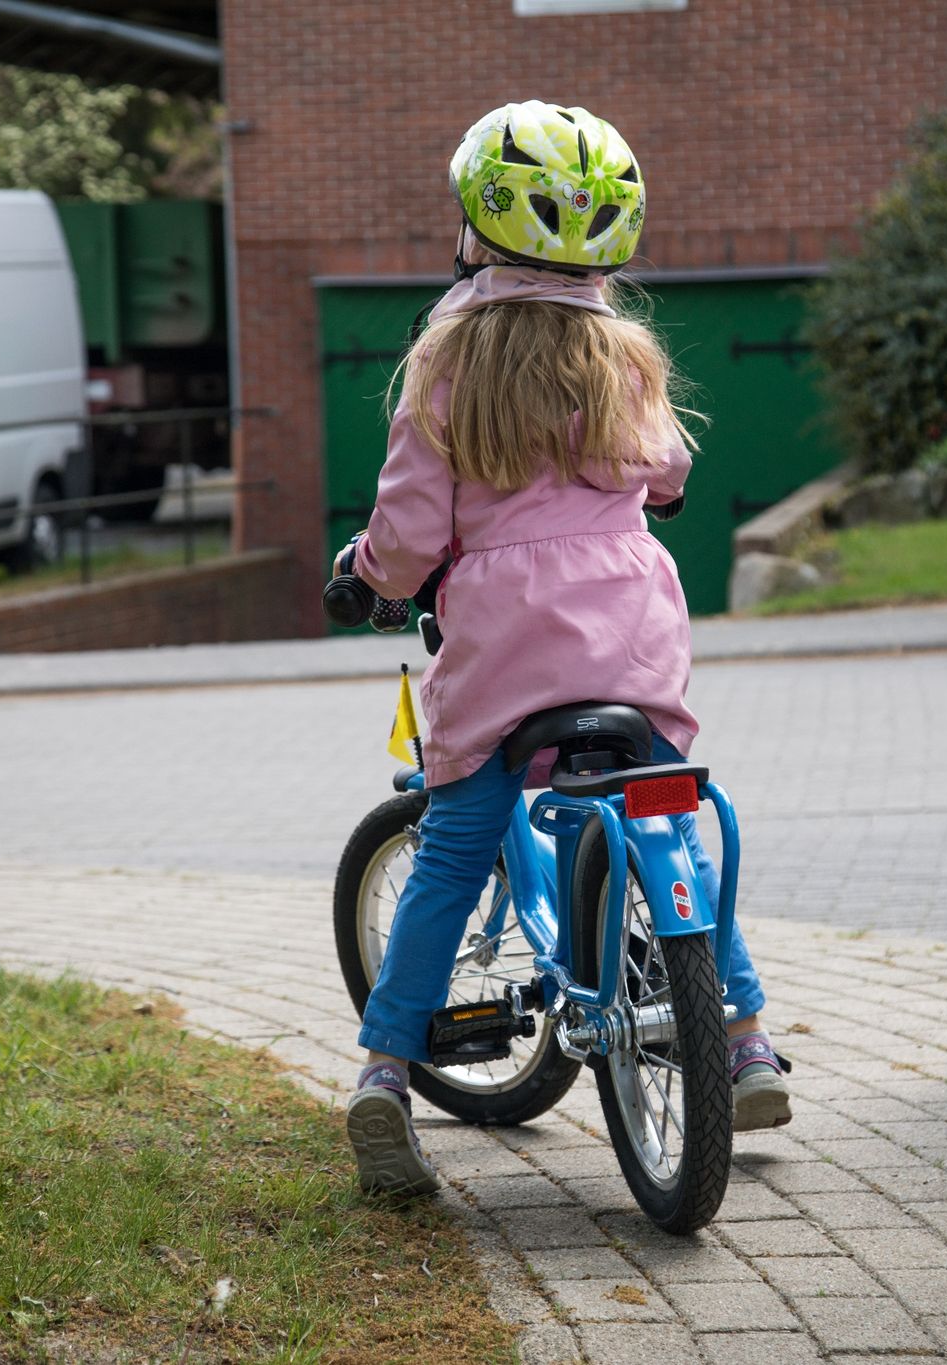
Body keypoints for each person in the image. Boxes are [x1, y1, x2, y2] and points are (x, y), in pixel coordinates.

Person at [335, 100, 791, 1196]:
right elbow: (668, 471)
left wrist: (363, 575)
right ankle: (743, 1041)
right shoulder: (621, 351)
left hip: (502, 640)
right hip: (629, 623)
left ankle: (387, 1074)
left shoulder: (447, 362)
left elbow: (406, 537)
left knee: (452, 848)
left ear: (476, 229)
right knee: (668, 821)